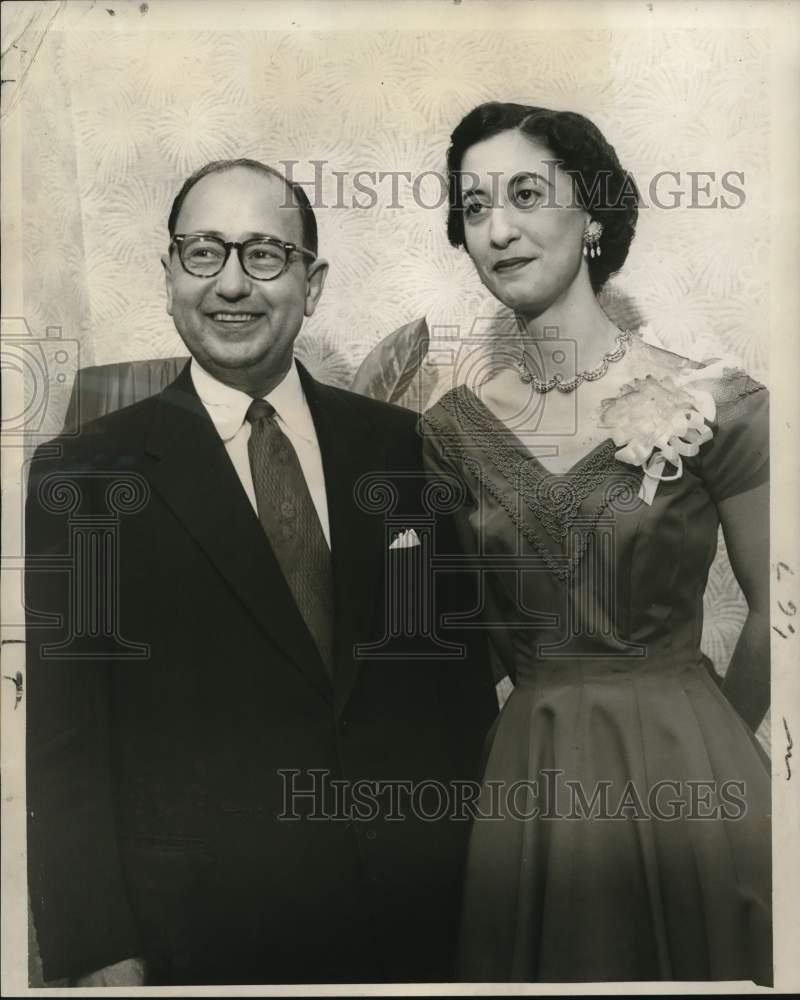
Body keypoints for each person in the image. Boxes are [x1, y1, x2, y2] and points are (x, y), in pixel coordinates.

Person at [25, 158, 497, 986]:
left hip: (414, 922)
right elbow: (66, 739)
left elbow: (451, 694)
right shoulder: (89, 473)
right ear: (169, 274)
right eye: (204, 253)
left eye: (266, 256)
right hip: (200, 936)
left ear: (311, 284)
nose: (232, 284)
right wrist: (97, 947)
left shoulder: (401, 449)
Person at [421, 103, 771, 984]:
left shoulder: (715, 400)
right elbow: (469, 640)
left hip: (692, 767)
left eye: (526, 194)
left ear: (596, 215)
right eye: (472, 208)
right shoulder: (451, 431)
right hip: (529, 772)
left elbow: (783, 607)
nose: (497, 229)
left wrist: (708, 737)